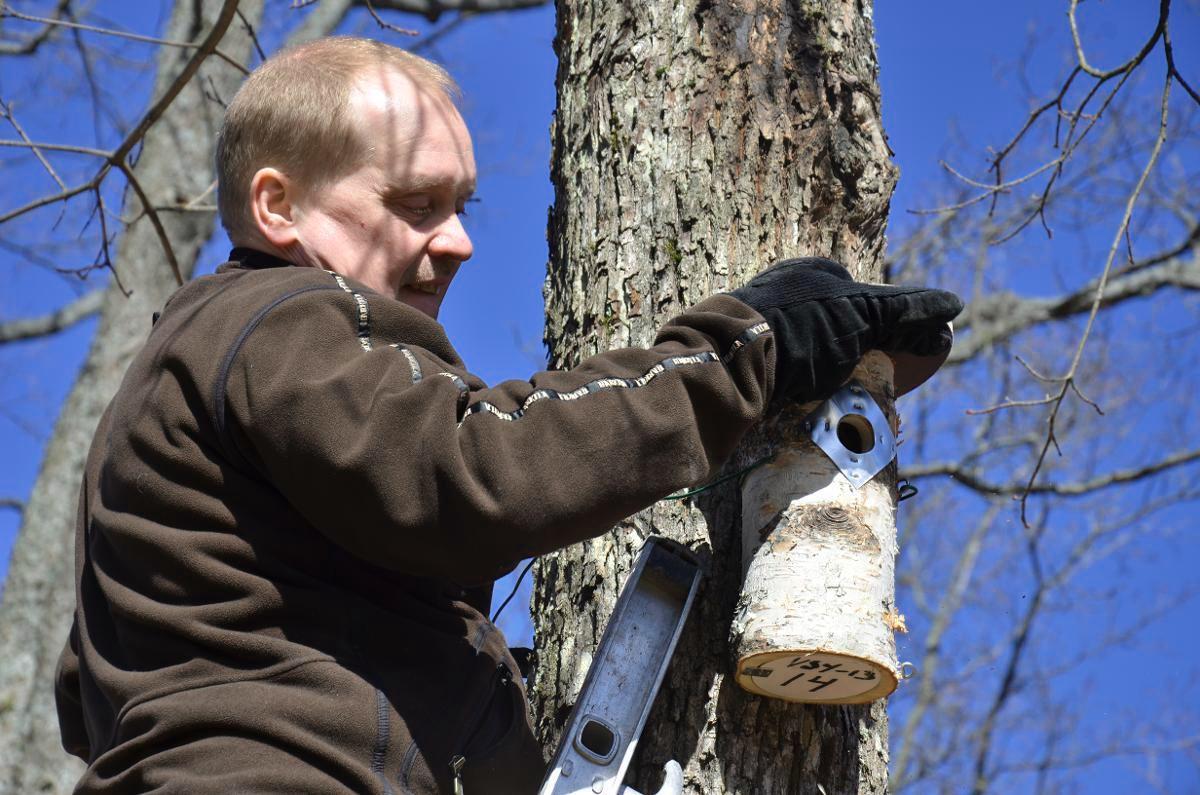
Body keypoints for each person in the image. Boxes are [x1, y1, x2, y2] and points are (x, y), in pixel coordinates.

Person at [54, 36, 962, 794]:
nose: (457, 243)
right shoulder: (273, 319)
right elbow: (471, 470)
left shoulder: (231, 430)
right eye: (415, 205)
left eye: (459, 207)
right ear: (277, 204)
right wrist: (746, 350)